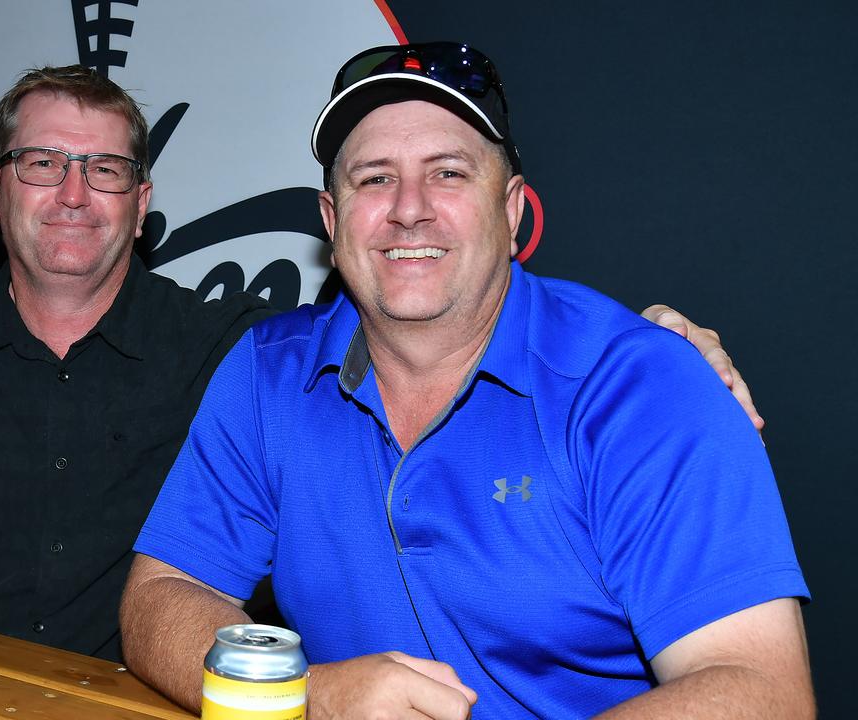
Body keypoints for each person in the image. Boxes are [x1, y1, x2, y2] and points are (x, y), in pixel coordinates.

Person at [0, 65, 759, 664]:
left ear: (143, 206)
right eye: (41, 165)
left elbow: (432, 306)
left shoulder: (224, 353)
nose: (72, 194)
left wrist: (660, 353)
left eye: (103, 171)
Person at [120, 42, 811, 718]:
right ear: (332, 222)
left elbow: (761, 691)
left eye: (448, 173)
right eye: (373, 177)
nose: (409, 207)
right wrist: (309, 697)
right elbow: (161, 593)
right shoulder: (269, 373)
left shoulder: (642, 387)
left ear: (511, 209)